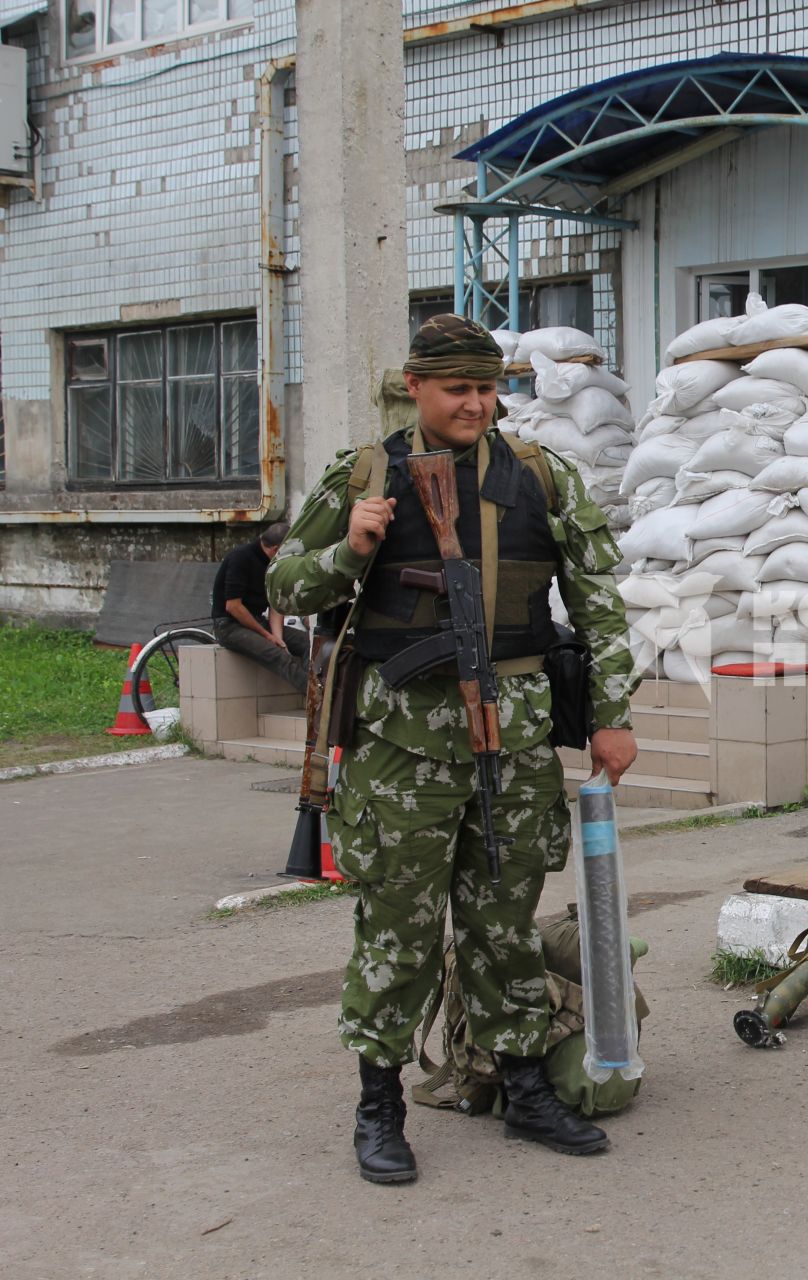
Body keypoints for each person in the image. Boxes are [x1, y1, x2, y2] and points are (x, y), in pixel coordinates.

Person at [266, 314, 639, 1184]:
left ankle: (519, 1083)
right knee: (396, 925)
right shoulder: (363, 474)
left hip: (516, 736)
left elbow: (598, 601)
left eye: (485, 389)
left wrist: (612, 714)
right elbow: (286, 583)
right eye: (456, 389)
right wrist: (352, 547)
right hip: (405, 747)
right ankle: (380, 1103)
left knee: (502, 921)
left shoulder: (544, 476)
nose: (475, 404)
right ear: (416, 386)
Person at [210, 522, 308, 691]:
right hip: (230, 625)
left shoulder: (276, 565)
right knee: (278, 656)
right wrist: (267, 636)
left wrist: (279, 638)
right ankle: (315, 698)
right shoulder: (240, 558)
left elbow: (275, 605)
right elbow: (234, 607)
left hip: (257, 621)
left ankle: (315, 686)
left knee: (309, 644)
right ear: (276, 549)